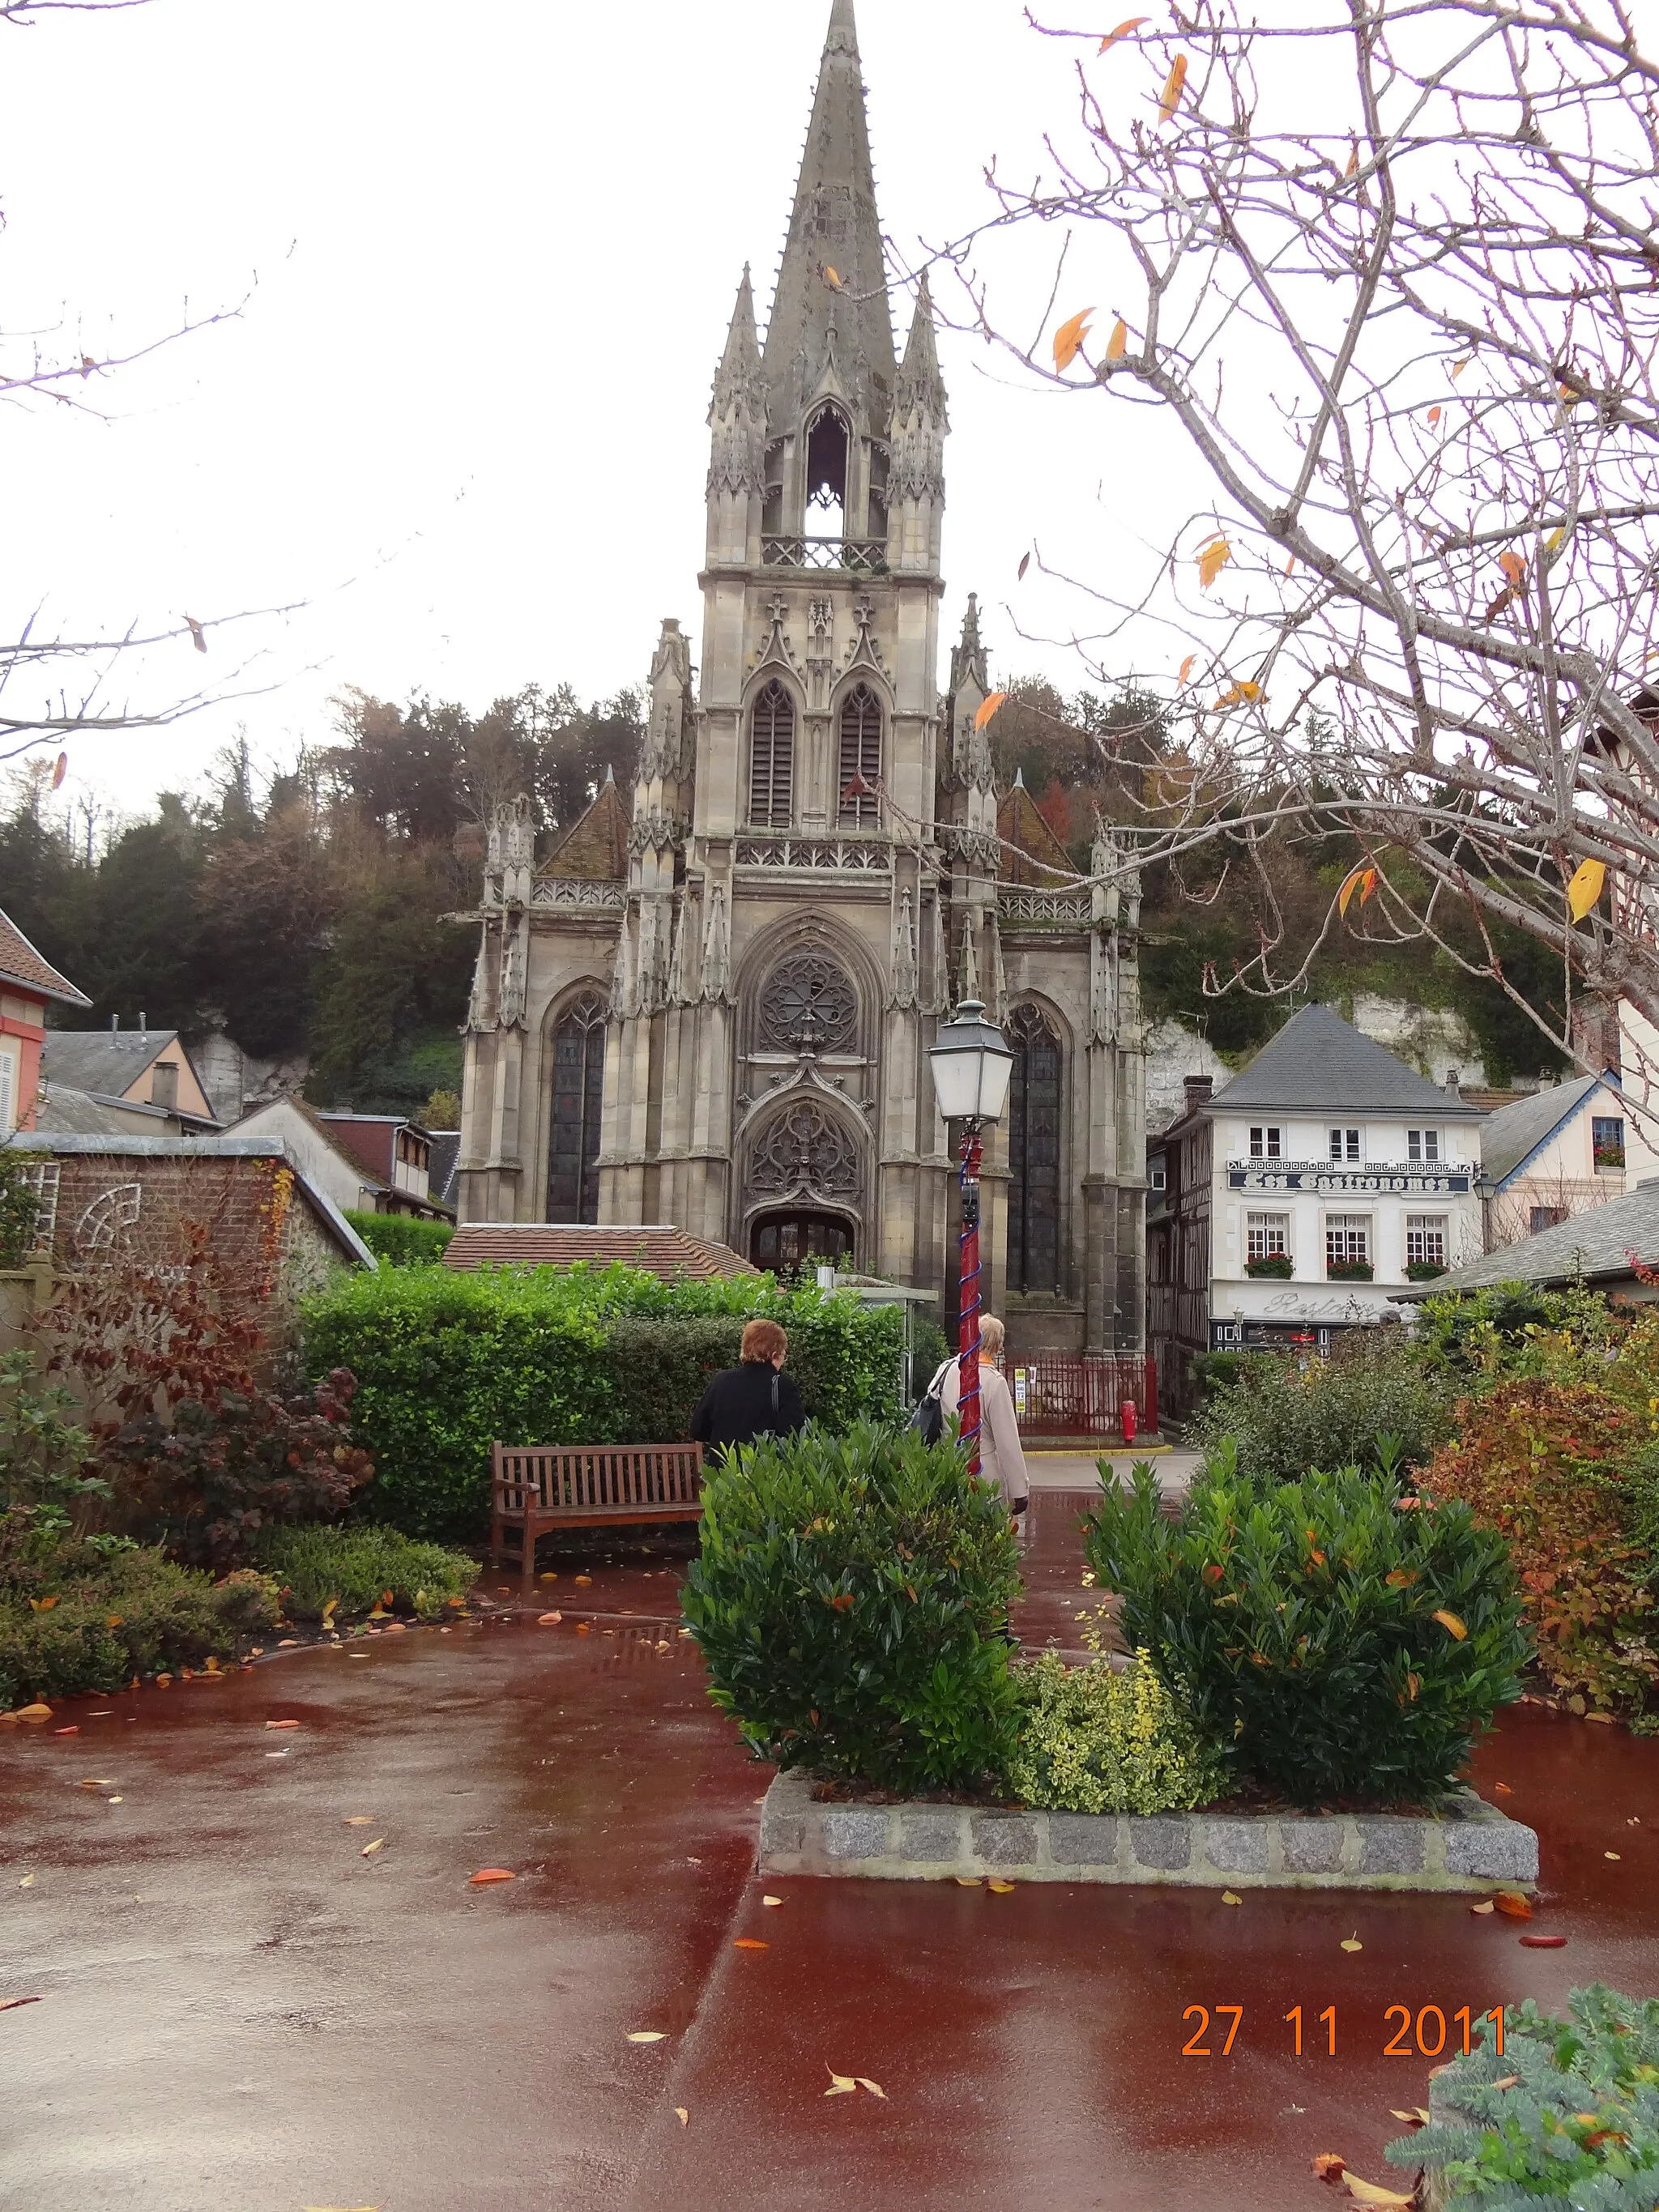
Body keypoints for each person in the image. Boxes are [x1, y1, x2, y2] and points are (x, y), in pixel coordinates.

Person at [937, 1315, 1030, 1523]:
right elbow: (1007, 1442)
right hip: (982, 1472)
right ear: (998, 1346)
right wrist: (1019, 1490)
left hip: (945, 1467)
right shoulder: (994, 1383)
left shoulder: (945, 1370)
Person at [689, 1318, 805, 1457]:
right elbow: (795, 1437)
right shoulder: (782, 1385)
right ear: (775, 1354)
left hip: (723, 1473)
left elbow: (699, 1431)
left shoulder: (722, 1380)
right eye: (783, 1355)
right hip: (763, 1473)